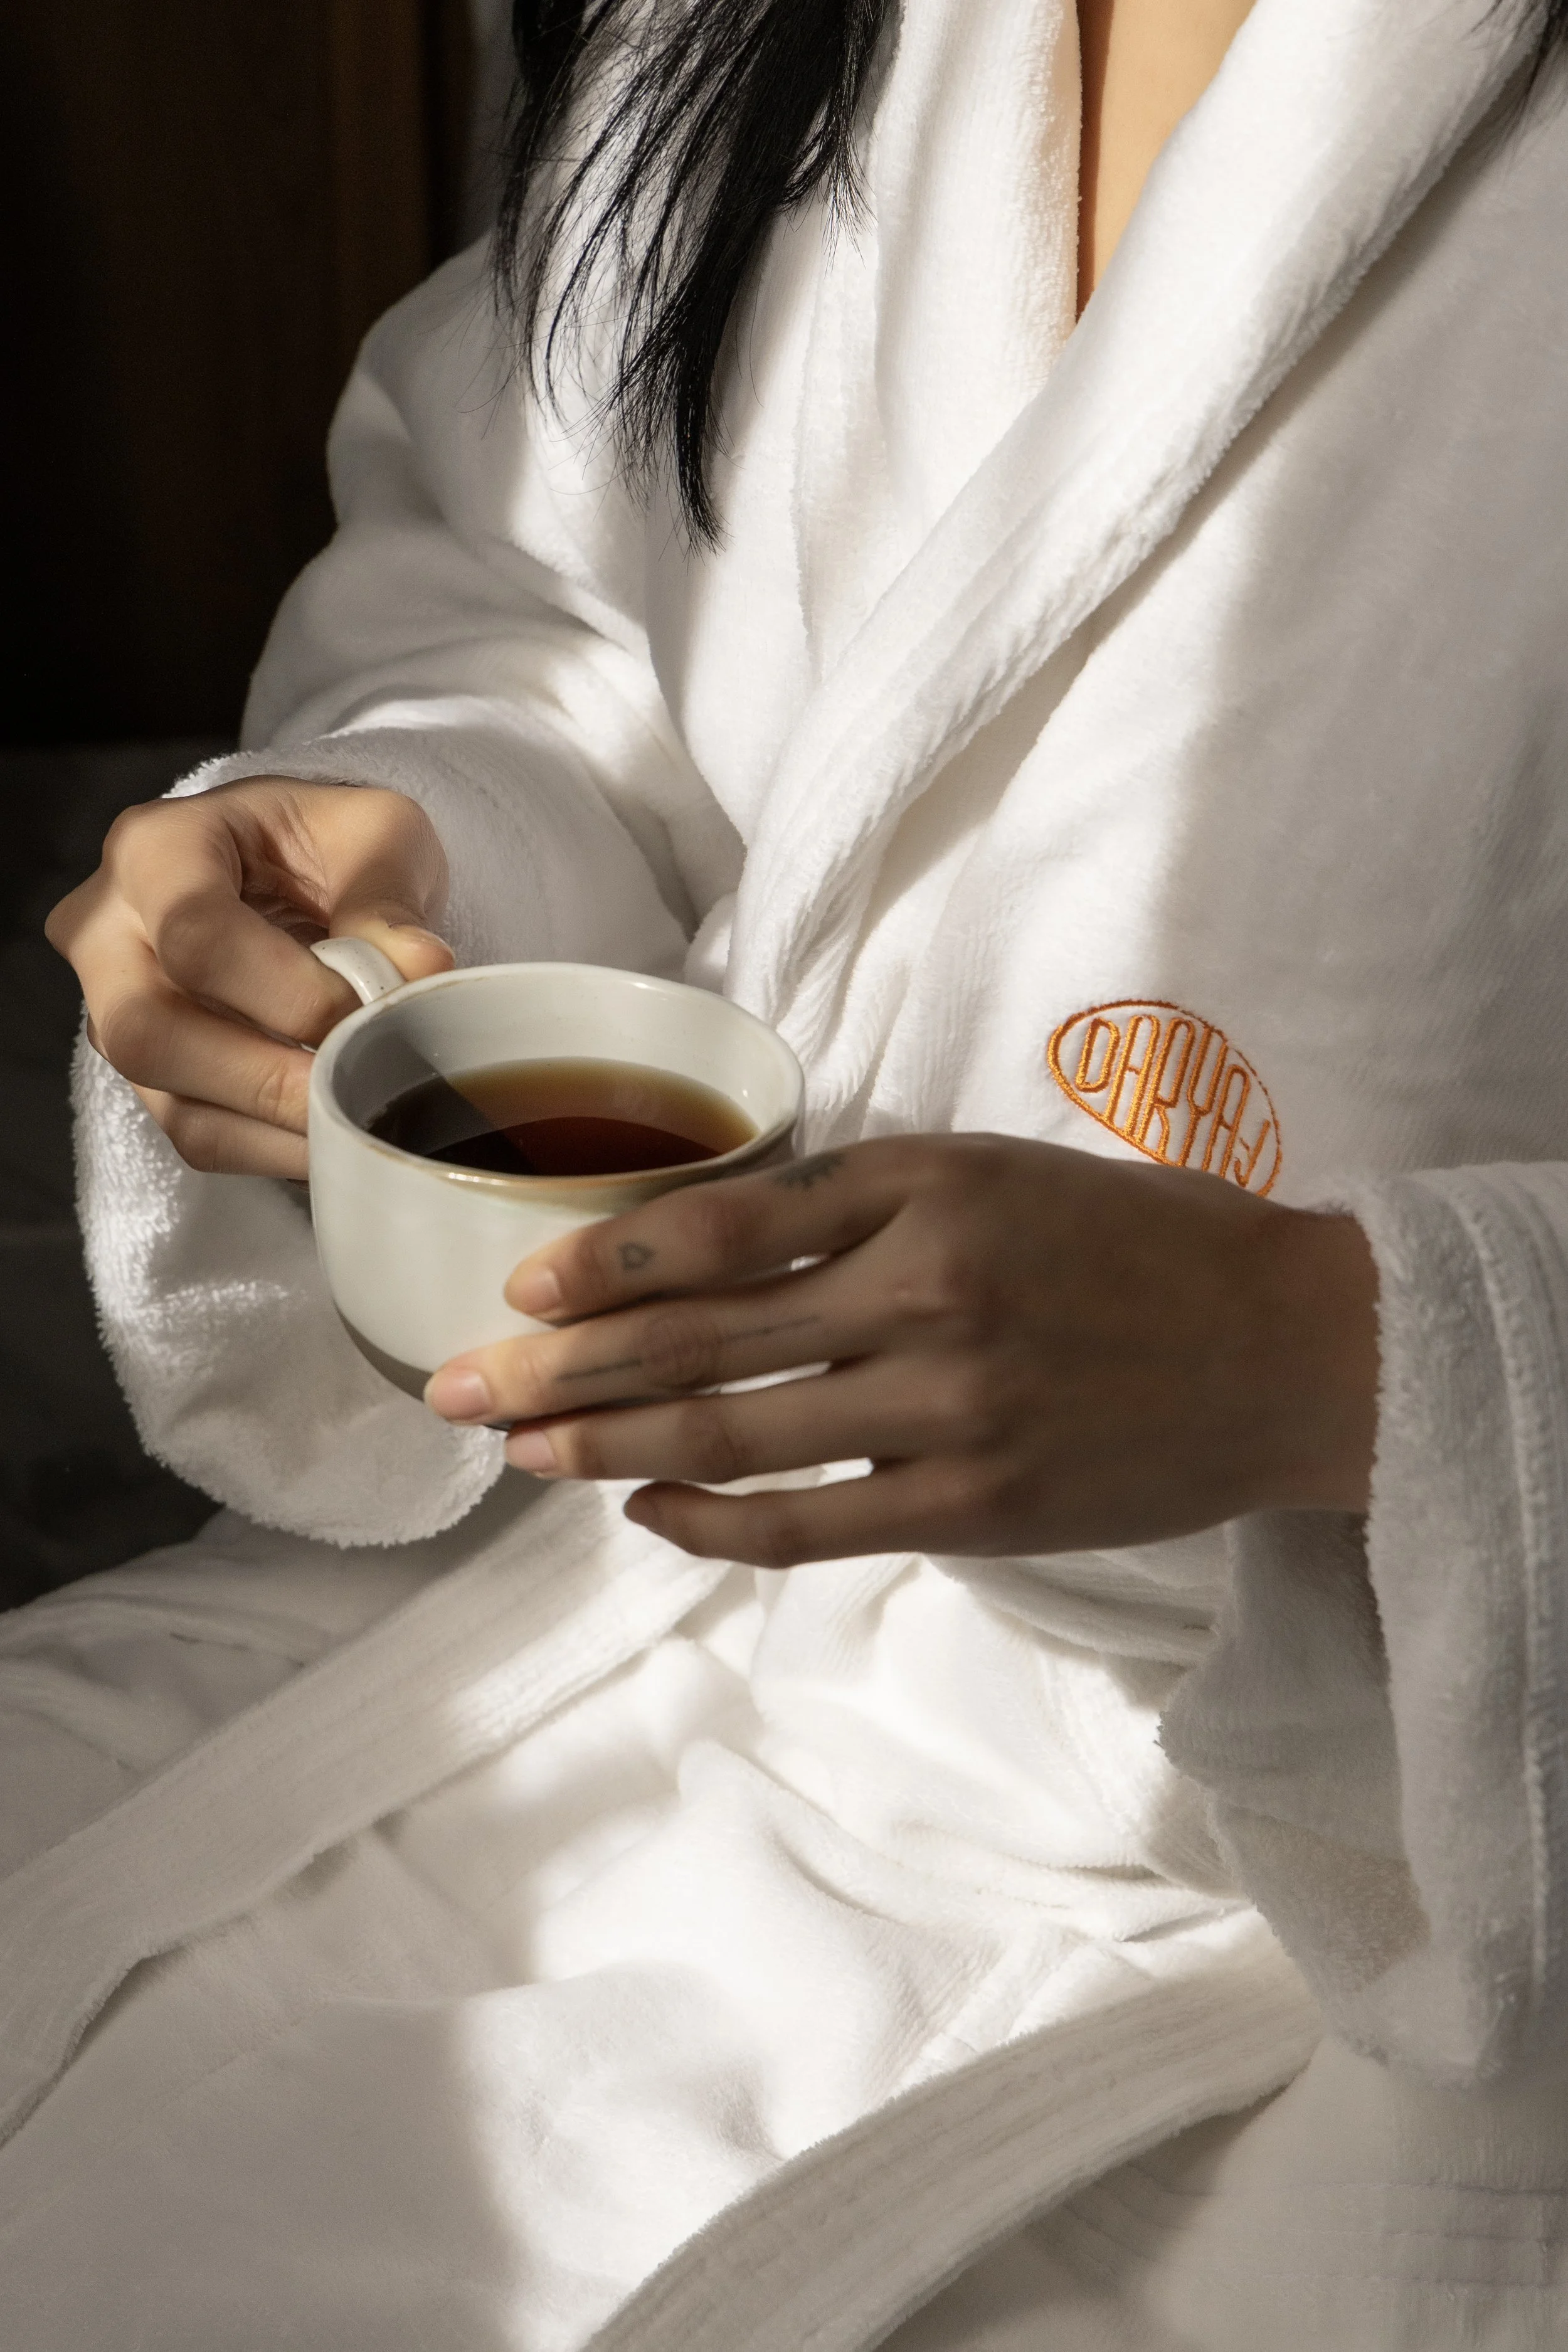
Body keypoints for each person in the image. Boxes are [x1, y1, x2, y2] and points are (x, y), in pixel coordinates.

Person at [8, 0, 1568, 2341]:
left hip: (1378, 1841)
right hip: (603, 1607)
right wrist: (420, 863)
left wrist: (1342, 1357)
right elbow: (565, 602)